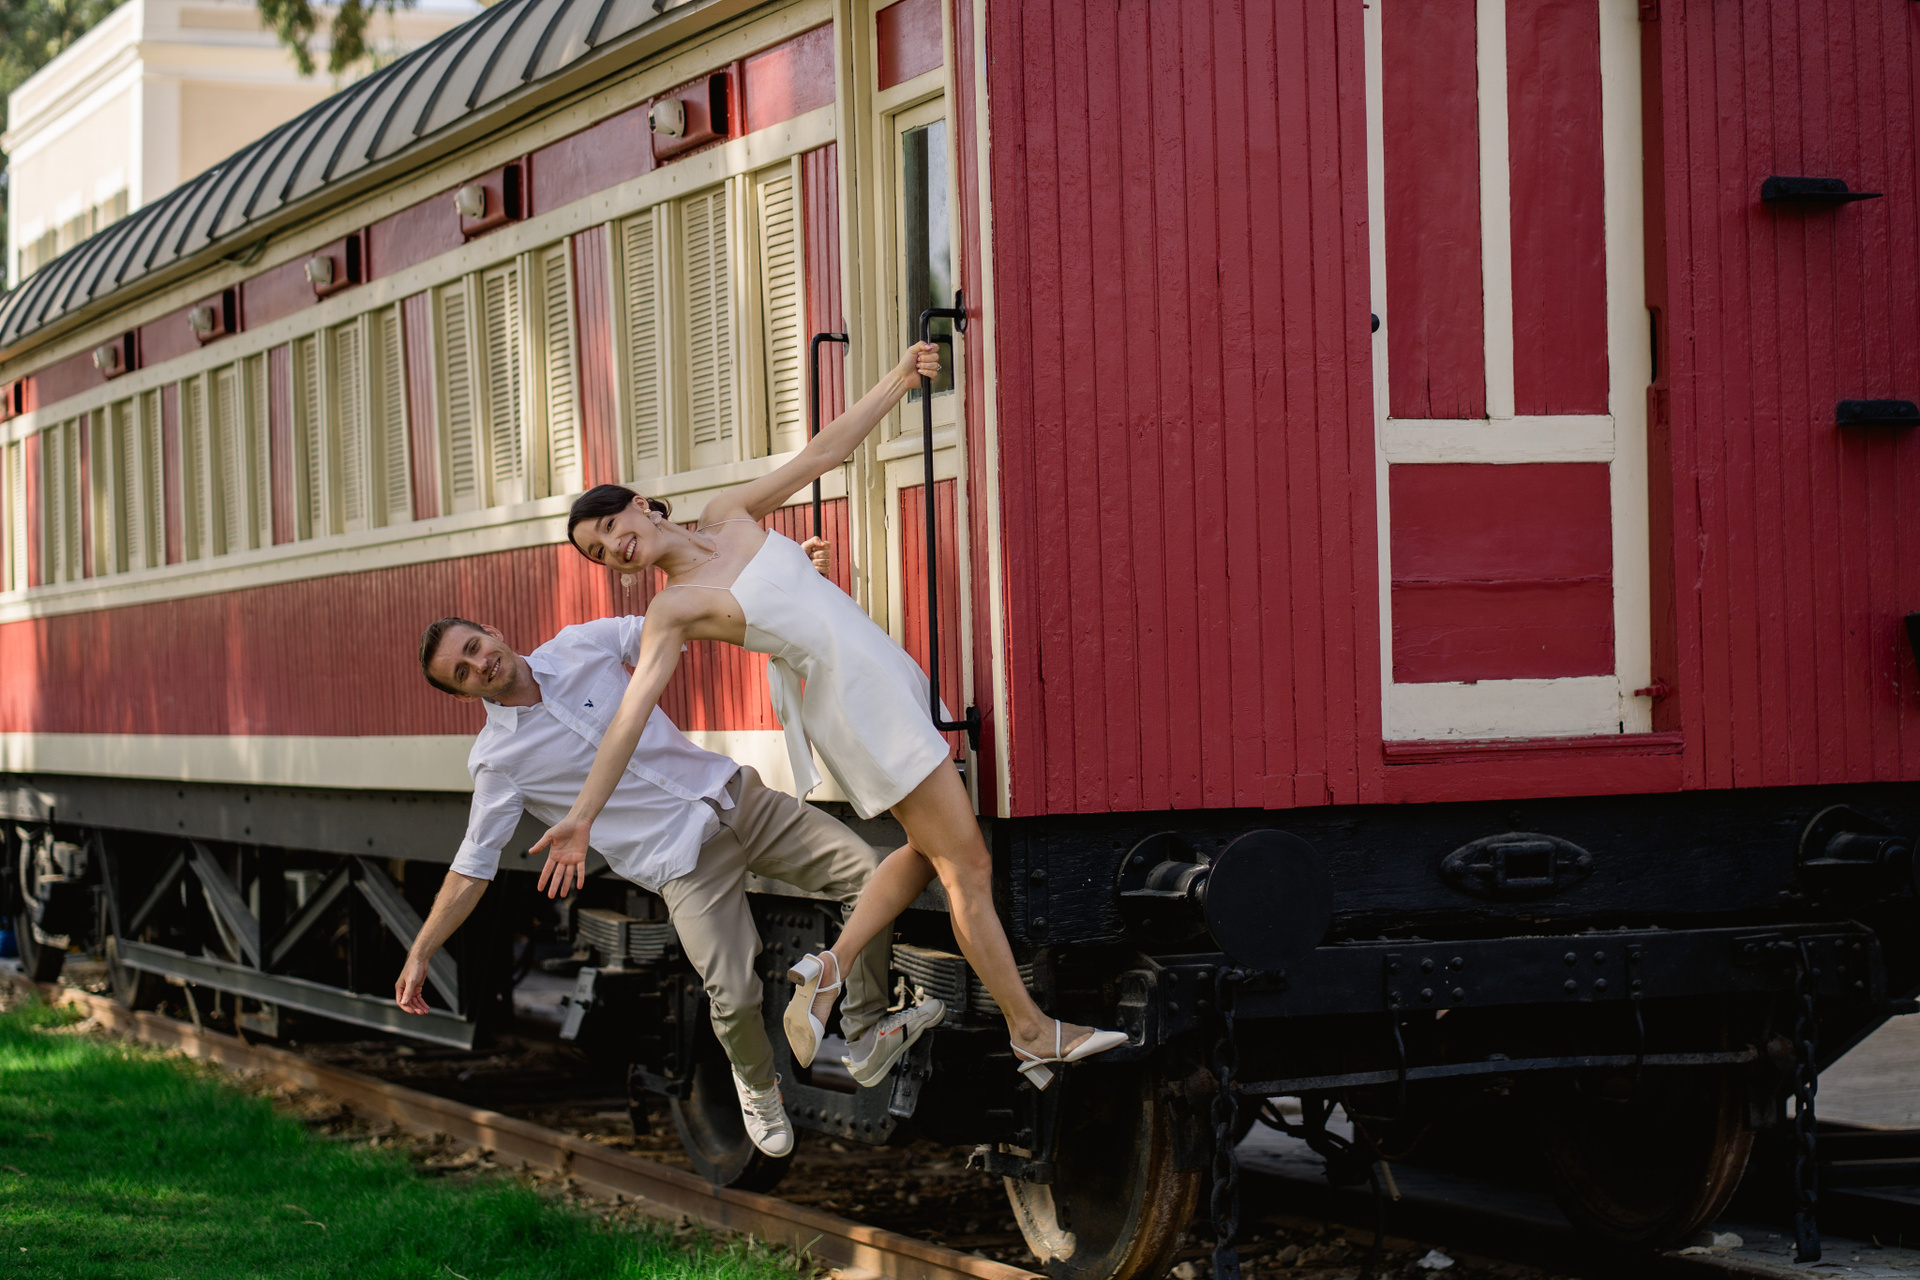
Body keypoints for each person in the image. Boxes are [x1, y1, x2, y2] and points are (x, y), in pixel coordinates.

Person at [543, 342, 1124, 1090]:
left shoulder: (726, 515)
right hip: (857, 707)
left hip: (884, 680)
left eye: (608, 526)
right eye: (599, 554)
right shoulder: (672, 609)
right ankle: (1030, 1032)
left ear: (639, 503)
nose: (614, 548)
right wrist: (583, 816)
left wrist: (899, 380)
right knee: (967, 869)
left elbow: (821, 454)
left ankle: (829, 969)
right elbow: (628, 718)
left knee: (927, 851)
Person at [394, 613, 947, 1158]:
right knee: (734, 994)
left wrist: (774, 581)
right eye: (462, 672)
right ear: (462, 695)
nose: (479, 664)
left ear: (492, 632)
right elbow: (473, 864)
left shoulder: (580, 645)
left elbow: (676, 619)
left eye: (473, 647)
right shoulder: (497, 761)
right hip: (682, 862)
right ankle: (758, 1088)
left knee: (868, 875)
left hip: (738, 800)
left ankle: (864, 1030)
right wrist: (421, 951)